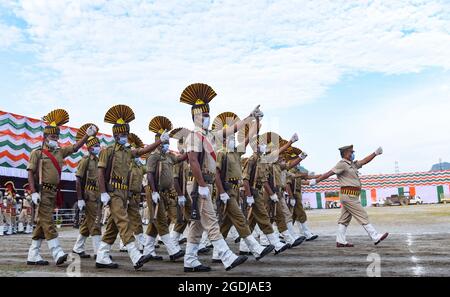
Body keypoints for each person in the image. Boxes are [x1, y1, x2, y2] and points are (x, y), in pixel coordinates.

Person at [180, 82, 262, 272]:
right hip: (199, 184)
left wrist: (250, 116)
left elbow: (232, 129)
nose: (208, 118)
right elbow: (193, 161)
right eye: (204, 115)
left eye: (208, 114)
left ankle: (190, 260)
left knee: (197, 226)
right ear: (196, 117)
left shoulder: (209, 135)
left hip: (205, 184)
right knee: (211, 221)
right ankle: (226, 257)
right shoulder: (194, 136)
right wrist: (201, 185)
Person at [96, 104, 169, 270]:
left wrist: (159, 141)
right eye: (122, 134)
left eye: (126, 134)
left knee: (113, 227)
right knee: (123, 222)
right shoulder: (107, 151)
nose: (125, 137)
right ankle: (135, 256)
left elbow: (143, 150)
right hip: (113, 191)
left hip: (123, 192)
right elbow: (100, 172)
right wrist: (103, 193)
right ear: (115, 135)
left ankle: (102, 255)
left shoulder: (127, 152)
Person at [27, 109, 97, 266]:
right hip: (42, 191)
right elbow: (30, 173)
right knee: (48, 221)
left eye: (57, 136)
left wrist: (87, 135)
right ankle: (57, 252)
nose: (56, 139)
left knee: (41, 224)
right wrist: (33, 192)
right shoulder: (37, 153)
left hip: (53, 192)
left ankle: (33, 255)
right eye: (53, 136)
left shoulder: (59, 152)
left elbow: (74, 148)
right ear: (45, 137)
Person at [212, 112, 274, 260]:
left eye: (234, 137)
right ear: (224, 140)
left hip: (234, 191)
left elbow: (248, 138)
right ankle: (256, 248)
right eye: (231, 138)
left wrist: (256, 120)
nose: (234, 139)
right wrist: (221, 192)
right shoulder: (221, 153)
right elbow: (216, 174)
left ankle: (216, 253)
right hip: (226, 190)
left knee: (225, 224)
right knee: (241, 219)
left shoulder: (236, 153)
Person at [309, 145, 388, 247]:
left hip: (352, 195)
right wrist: (316, 181)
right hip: (348, 195)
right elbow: (328, 173)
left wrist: (375, 153)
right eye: (351, 152)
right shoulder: (342, 164)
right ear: (345, 153)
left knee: (344, 219)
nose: (353, 154)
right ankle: (375, 236)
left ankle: (340, 240)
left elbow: (364, 161)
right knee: (362, 214)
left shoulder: (352, 164)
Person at [142, 116, 185, 261]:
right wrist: (154, 192)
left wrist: (191, 151)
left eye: (168, 142)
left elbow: (180, 158)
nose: (167, 145)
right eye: (164, 142)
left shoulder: (168, 156)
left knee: (155, 224)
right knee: (160, 220)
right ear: (158, 143)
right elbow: (149, 175)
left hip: (165, 193)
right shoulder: (153, 156)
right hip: (155, 191)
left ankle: (148, 251)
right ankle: (173, 251)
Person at [72, 123, 103, 259]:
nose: (98, 148)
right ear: (89, 148)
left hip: (97, 195)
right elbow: (78, 180)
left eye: (98, 145)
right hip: (89, 195)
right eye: (95, 146)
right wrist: (80, 199)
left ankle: (78, 248)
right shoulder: (85, 160)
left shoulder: (98, 160)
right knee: (95, 222)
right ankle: (98, 252)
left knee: (86, 224)